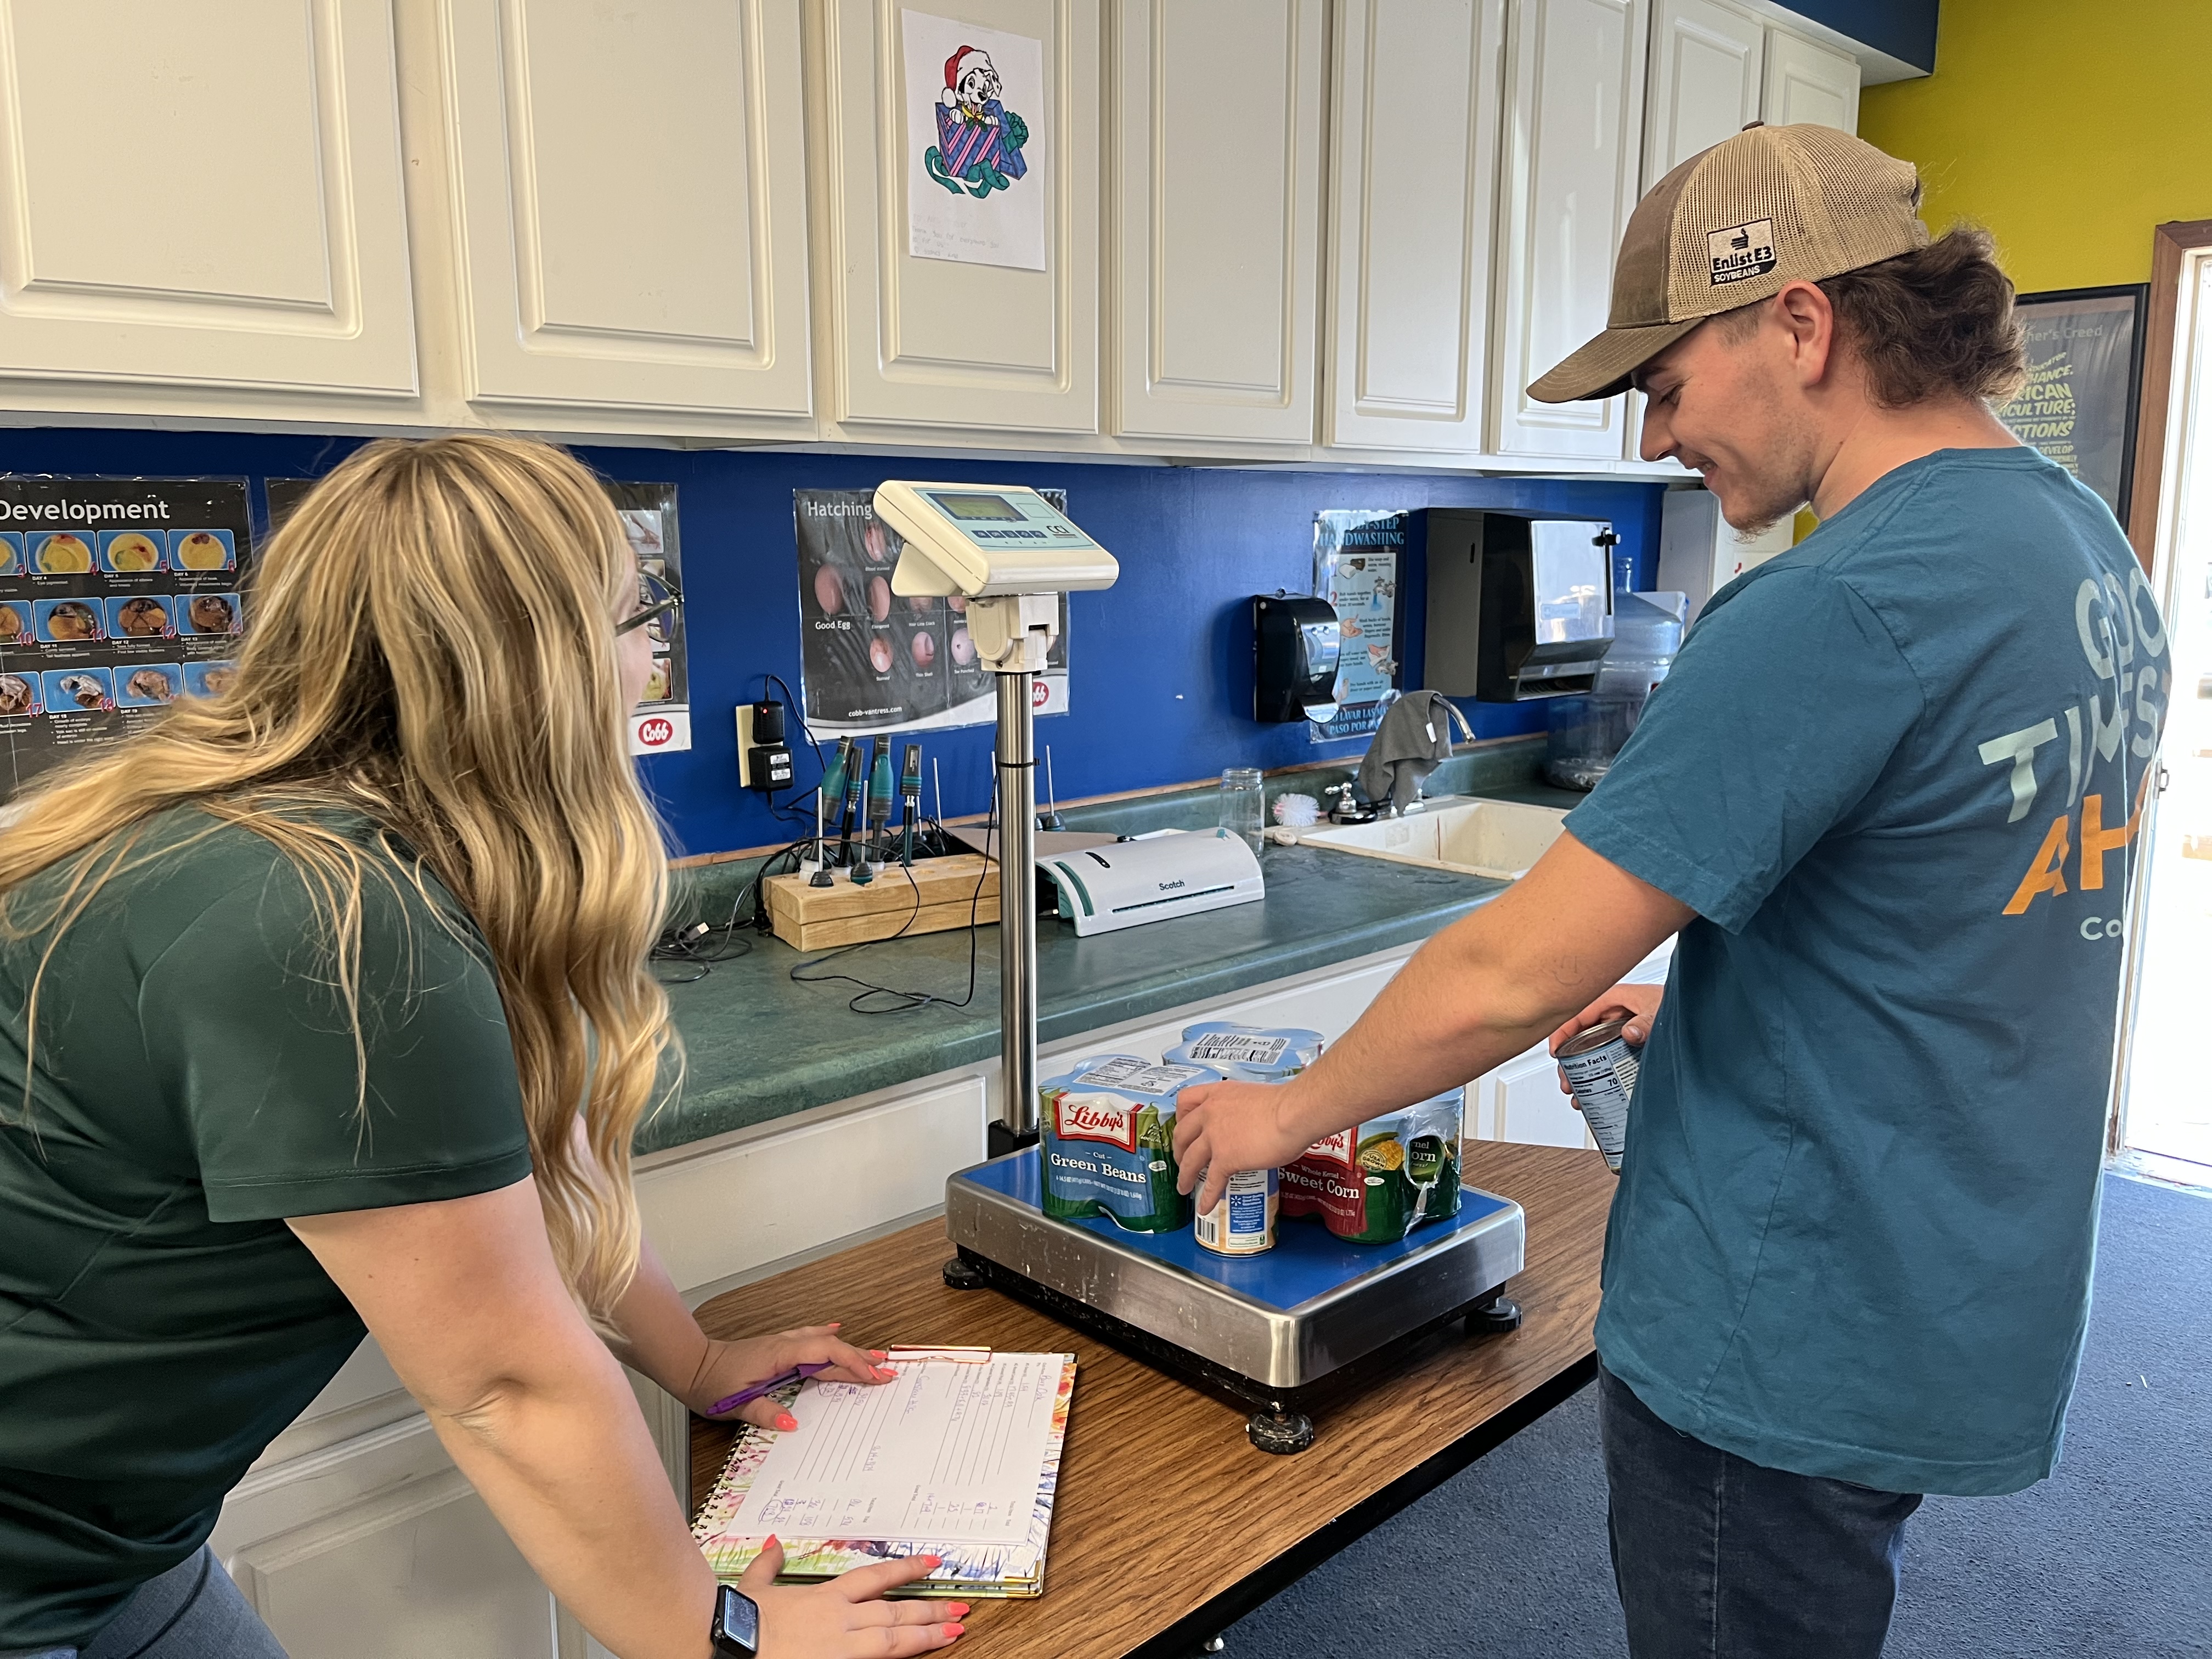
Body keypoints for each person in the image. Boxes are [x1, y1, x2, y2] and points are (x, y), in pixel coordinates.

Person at [1171, 125, 2164, 1658]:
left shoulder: (1833, 608)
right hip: (1951, 1284)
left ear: (1803, 321)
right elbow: (1960, 898)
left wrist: (1283, 1112)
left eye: (1663, 383)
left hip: (1781, 1328)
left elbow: (1509, 972)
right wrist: (1711, 1000)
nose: (1651, 441)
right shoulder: (2077, 545)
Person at [0, 436, 964, 1659]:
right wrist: (723, 1638)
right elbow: (506, 1388)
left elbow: (529, 1181)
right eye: (635, 614)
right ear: (539, 668)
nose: (653, 651)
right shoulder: (330, 920)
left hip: (106, 1539)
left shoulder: (332, 841)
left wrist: (699, 1355)